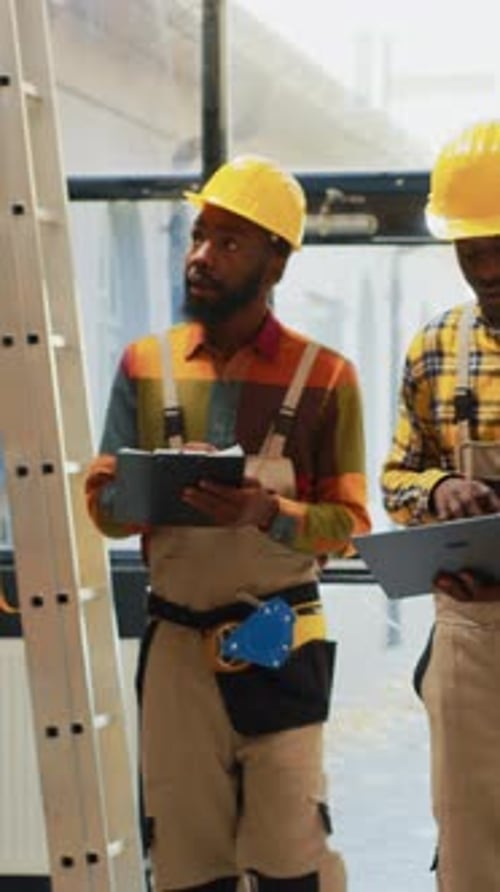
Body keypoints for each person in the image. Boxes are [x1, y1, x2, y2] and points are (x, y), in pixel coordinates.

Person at [85, 155, 371, 892]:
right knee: (186, 865)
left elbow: (348, 525)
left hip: (279, 637)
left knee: (289, 861)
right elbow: (105, 508)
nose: (202, 256)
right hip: (177, 650)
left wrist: (266, 512)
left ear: (276, 261)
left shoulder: (327, 377)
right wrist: (139, 492)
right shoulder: (145, 366)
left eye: (229, 242)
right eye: (198, 236)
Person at [381, 119, 500, 892]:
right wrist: (435, 490)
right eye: (469, 250)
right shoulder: (434, 349)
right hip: (469, 635)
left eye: (499, 246)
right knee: (470, 851)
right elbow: (396, 477)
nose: (486, 269)